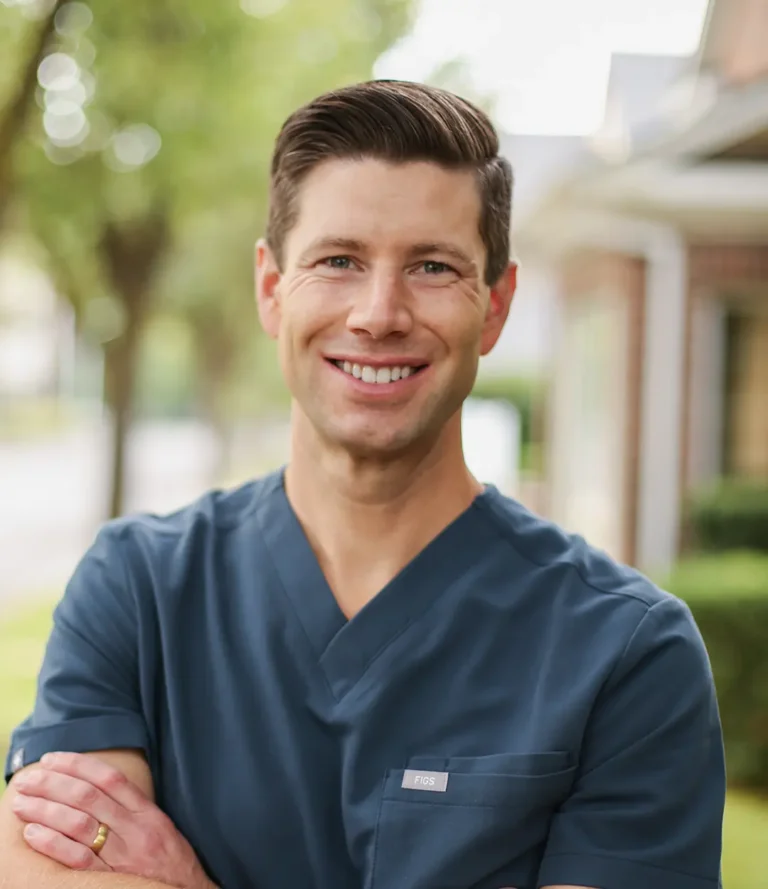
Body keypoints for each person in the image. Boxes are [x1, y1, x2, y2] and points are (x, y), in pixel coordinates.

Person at [1, 80, 725, 889]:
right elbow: (42, 861)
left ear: (495, 305)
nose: (379, 312)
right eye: (338, 261)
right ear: (273, 288)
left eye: (431, 266)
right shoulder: (138, 591)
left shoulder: (627, 655)